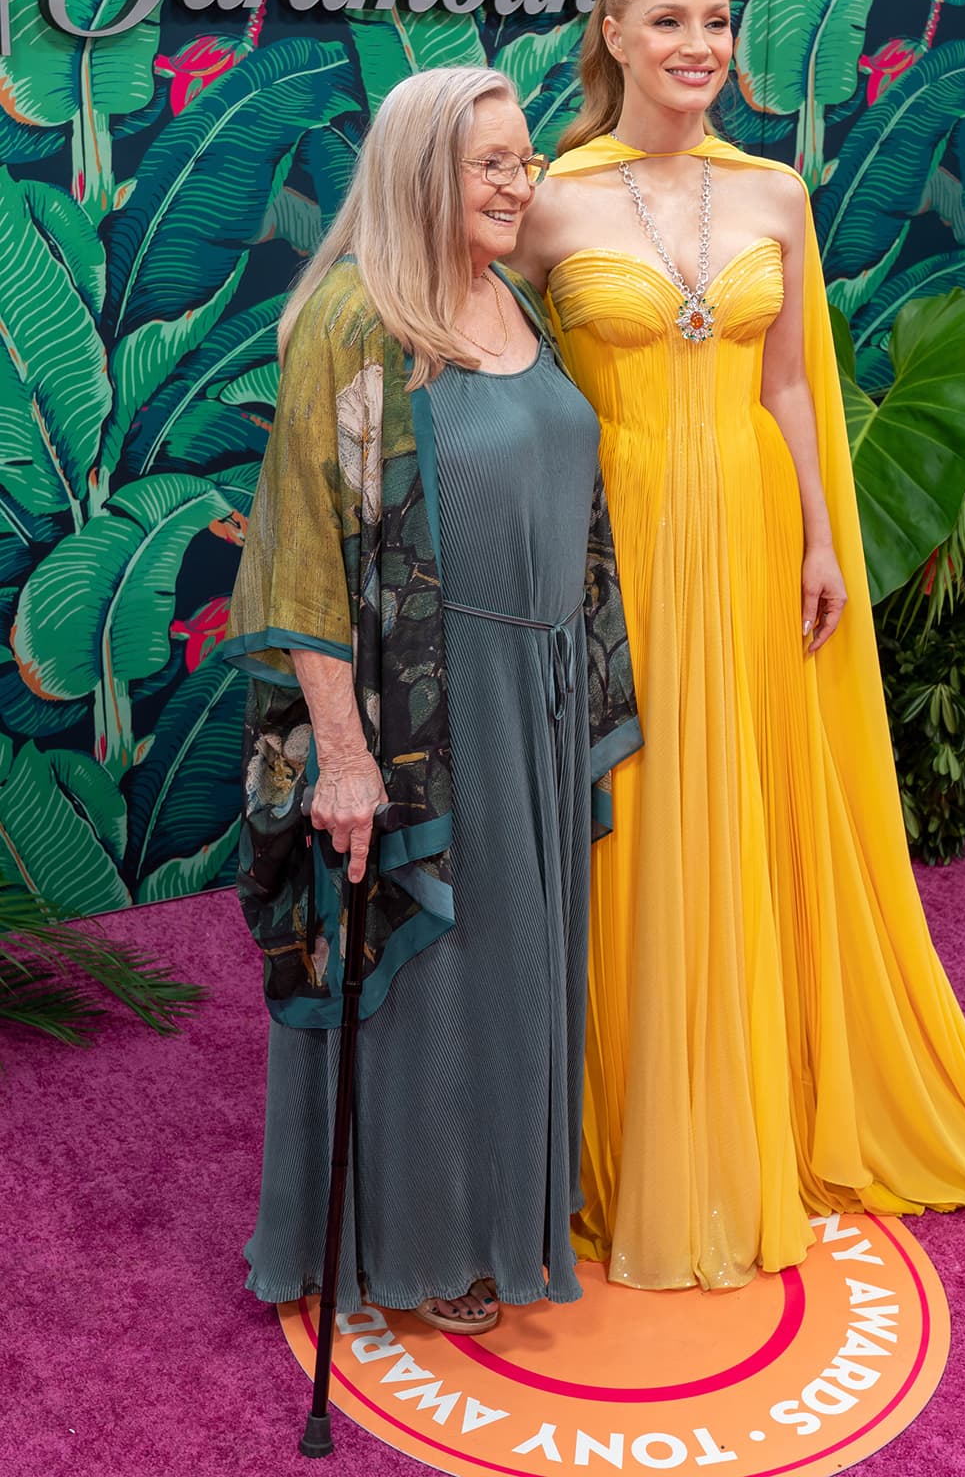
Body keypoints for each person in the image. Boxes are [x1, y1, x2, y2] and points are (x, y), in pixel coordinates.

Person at [510, 0, 965, 1293]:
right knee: (636, 818)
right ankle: (628, 1130)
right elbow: (497, 383)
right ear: (615, 35)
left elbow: (788, 388)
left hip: (760, 539)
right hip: (618, 555)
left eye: (715, 20)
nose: (699, 45)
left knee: (746, 815)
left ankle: (748, 1109)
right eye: (669, 21)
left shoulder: (772, 193)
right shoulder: (548, 204)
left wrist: (828, 540)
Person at [224, 67, 640, 1332]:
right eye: (494, 165)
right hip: (427, 707)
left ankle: (504, 1211)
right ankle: (417, 1236)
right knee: (440, 971)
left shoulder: (510, 299)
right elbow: (306, 554)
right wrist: (342, 757)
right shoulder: (359, 320)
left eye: (527, 161)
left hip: (538, 692)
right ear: (422, 173)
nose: (523, 183)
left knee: (518, 971)